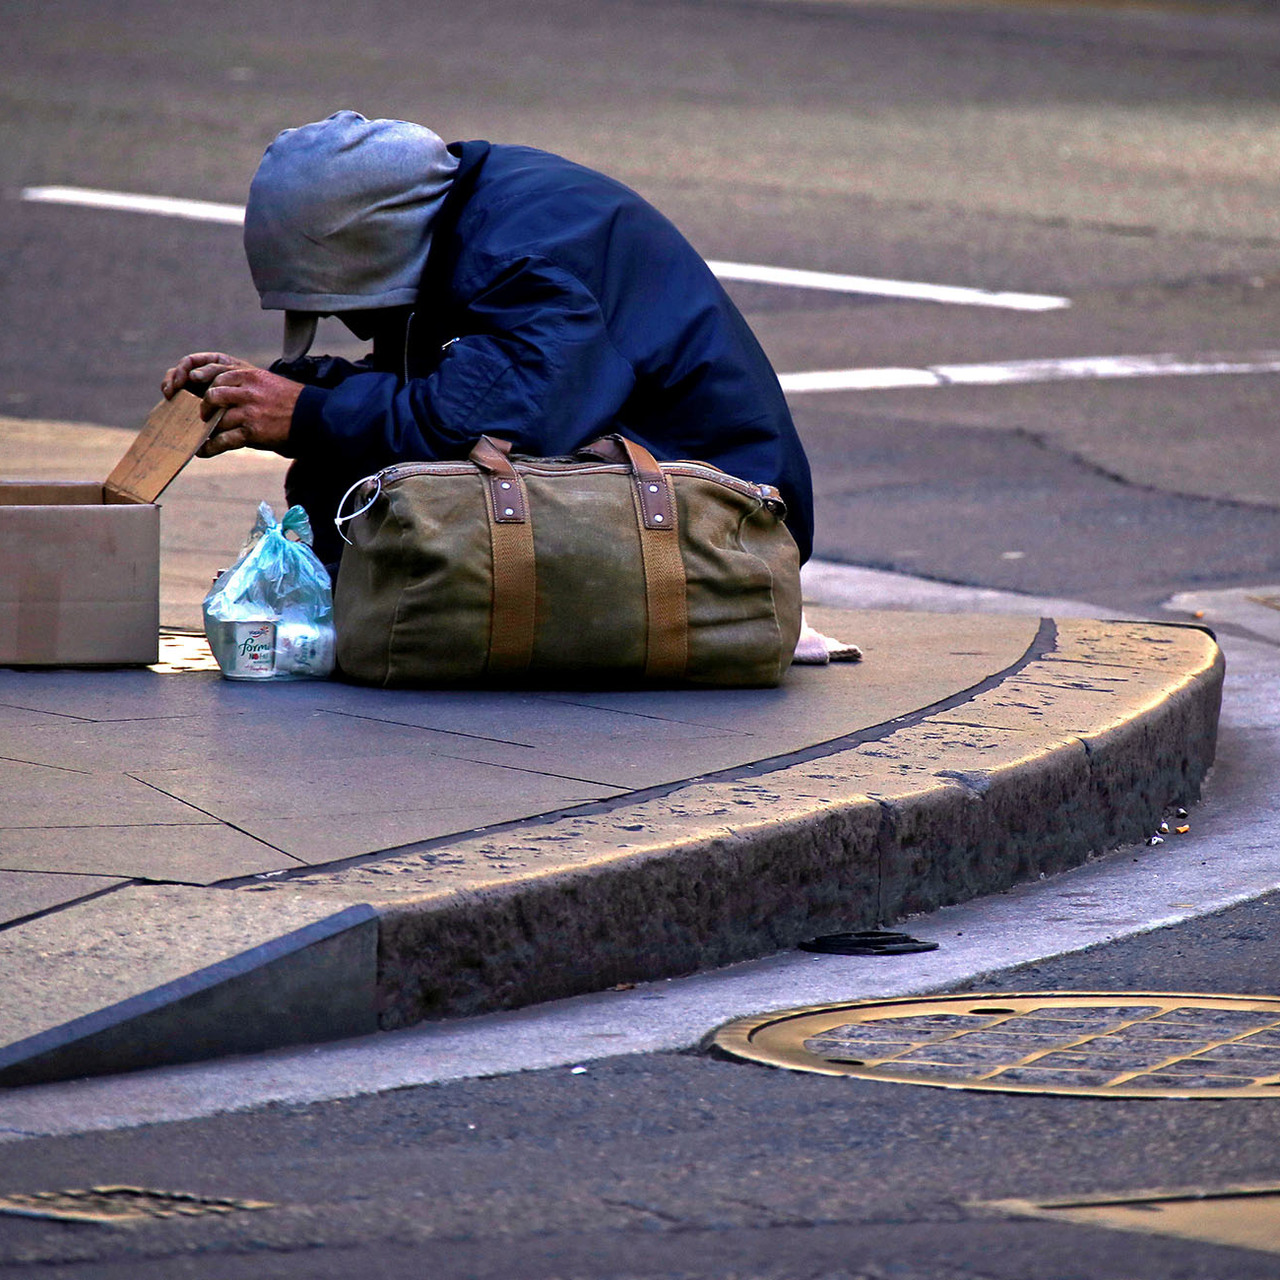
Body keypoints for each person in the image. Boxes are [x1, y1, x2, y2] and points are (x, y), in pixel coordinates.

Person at [163, 111, 855, 662]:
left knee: (358, 446)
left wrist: (308, 413)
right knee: (343, 446)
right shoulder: (456, 211)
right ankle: (354, 609)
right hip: (657, 476)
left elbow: (485, 429)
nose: (345, 323)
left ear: (377, 251)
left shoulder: (520, 253)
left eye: (341, 305)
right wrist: (271, 391)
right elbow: (449, 386)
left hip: (724, 520)